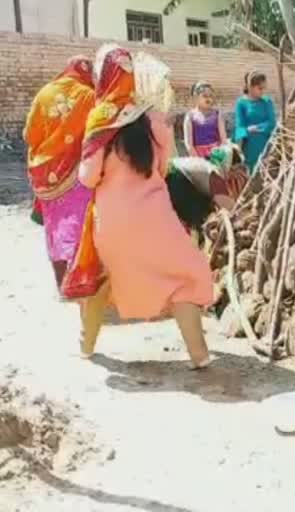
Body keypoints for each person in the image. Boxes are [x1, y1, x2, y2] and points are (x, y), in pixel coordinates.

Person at [76, 45, 213, 367]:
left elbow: (87, 177)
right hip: (157, 219)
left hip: (113, 222)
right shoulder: (154, 119)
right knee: (183, 279)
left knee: (103, 277)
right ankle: (200, 355)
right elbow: (164, 169)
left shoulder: (99, 119)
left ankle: (86, 346)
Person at [23, 55, 95, 291]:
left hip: (45, 173)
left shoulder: (44, 93)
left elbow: (28, 135)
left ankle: (61, 282)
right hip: (75, 171)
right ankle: (78, 283)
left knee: (54, 227)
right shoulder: (89, 95)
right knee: (77, 223)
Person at [166, 142, 249, 244]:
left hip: (170, 176)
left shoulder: (204, 165)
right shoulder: (215, 176)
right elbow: (230, 209)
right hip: (176, 181)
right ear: (230, 168)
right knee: (206, 219)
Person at [233, 72, 276, 174]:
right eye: (260, 88)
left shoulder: (267, 101)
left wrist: (255, 127)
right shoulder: (241, 103)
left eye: (264, 88)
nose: (263, 91)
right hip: (249, 146)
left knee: (265, 173)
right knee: (250, 173)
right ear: (250, 87)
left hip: (265, 144)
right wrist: (239, 150)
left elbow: (272, 123)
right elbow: (240, 126)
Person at [183, 81, 227, 159]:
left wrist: (221, 156)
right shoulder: (190, 116)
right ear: (196, 97)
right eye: (204, 96)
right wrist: (198, 161)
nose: (208, 98)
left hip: (216, 155)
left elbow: (223, 140)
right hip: (198, 156)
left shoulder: (217, 114)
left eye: (210, 96)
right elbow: (189, 144)